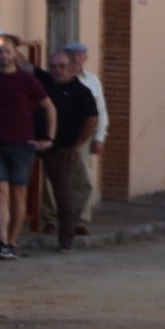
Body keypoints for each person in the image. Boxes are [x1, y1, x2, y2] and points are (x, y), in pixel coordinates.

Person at [0, 35, 57, 260]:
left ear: (16, 52)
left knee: (18, 195)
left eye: (7, 51)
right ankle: (1, 242)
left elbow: (49, 107)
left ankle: (12, 240)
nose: (3, 55)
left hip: (21, 145)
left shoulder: (27, 80)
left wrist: (48, 137)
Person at [33, 49, 99, 252]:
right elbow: (21, 63)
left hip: (62, 148)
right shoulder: (43, 80)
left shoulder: (82, 92)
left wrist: (76, 146)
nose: (57, 70)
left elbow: (91, 120)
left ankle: (66, 237)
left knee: (64, 194)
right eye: (53, 66)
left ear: (72, 69)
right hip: (33, 142)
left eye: (62, 67)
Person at [64, 43, 105, 236]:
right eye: (73, 55)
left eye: (80, 55)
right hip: (60, 131)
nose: (76, 59)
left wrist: (99, 136)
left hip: (84, 133)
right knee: (53, 178)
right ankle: (53, 219)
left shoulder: (92, 80)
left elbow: (101, 111)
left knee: (84, 177)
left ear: (85, 58)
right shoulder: (57, 76)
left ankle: (82, 219)